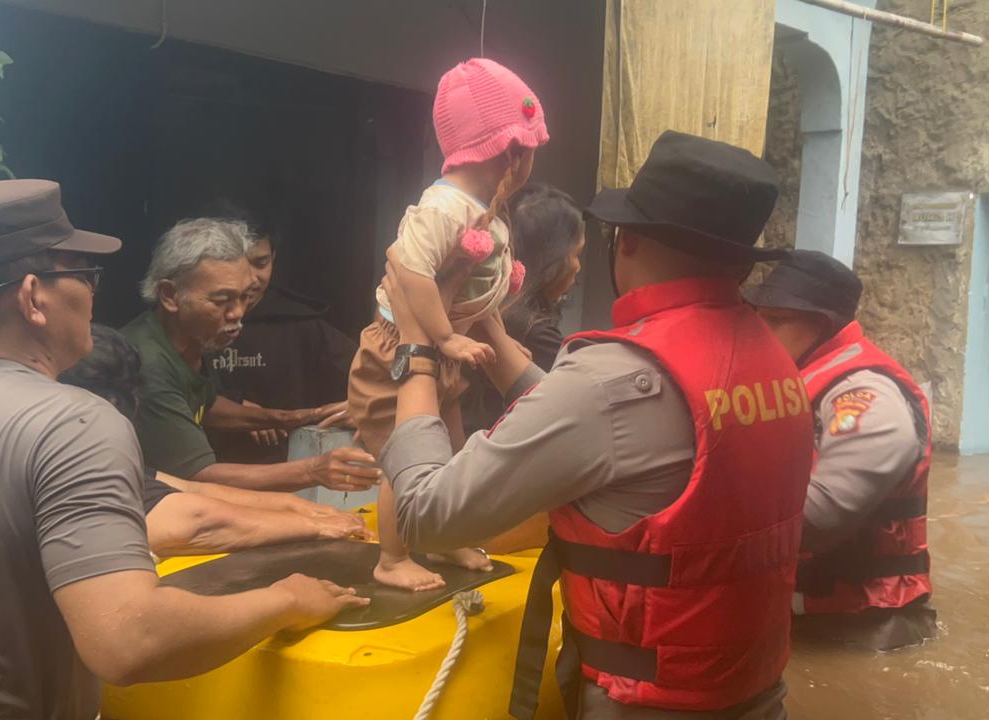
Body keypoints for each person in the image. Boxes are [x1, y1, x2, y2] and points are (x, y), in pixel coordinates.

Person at [0, 180, 367, 719]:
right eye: (84, 274)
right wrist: (288, 600)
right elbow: (129, 641)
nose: (94, 294)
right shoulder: (73, 424)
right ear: (33, 297)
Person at [380, 131, 814, 719]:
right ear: (740, 263)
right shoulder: (773, 359)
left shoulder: (611, 380)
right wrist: (489, 329)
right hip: (755, 691)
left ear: (626, 241)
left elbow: (425, 516)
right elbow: (612, 431)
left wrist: (415, 350)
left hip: (648, 704)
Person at [347, 57, 549, 591]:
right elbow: (409, 271)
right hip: (399, 350)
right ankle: (391, 558)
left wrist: (490, 331)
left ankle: (442, 536)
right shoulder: (443, 206)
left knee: (447, 455)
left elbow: (471, 284)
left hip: (442, 350)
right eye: (531, 150)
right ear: (511, 153)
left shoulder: (482, 206)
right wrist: (443, 336)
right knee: (404, 457)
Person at [743, 249, 936, 651]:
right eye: (758, 316)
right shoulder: (793, 376)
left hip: (864, 627)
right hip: (811, 616)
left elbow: (821, 515)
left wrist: (702, 514)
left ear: (821, 324)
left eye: (776, 320)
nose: (759, 329)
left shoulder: (866, 395)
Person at [59, 324, 370, 556]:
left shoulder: (108, 461)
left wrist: (299, 507)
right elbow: (195, 523)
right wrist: (311, 526)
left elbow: (191, 489)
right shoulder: (73, 473)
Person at [122, 218, 380, 494]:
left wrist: (290, 418)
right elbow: (198, 477)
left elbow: (206, 404)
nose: (238, 313)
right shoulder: (146, 364)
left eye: (244, 297)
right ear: (170, 295)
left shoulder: (194, 336)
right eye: (221, 301)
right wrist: (314, 470)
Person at [201, 202, 358, 464]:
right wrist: (233, 407)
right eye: (235, 264)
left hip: (291, 469)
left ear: (273, 257)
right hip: (203, 469)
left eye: (260, 263)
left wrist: (366, 404)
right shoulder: (189, 322)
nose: (249, 279)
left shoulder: (301, 323)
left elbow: (373, 376)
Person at [461, 183, 586, 435]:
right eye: (576, 254)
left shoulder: (485, 305)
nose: (578, 267)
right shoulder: (535, 334)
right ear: (553, 259)